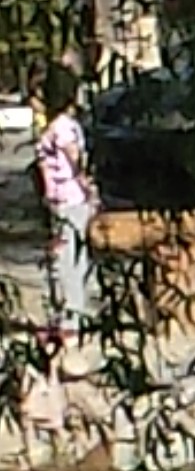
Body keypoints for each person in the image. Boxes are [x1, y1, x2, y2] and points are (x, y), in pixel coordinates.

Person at [33, 67, 93, 324]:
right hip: (73, 198)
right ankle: (73, 317)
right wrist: (91, 189)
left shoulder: (48, 129)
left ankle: (63, 311)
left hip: (55, 200)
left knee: (61, 255)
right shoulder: (66, 128)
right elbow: (76, 162)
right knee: (75, 260)